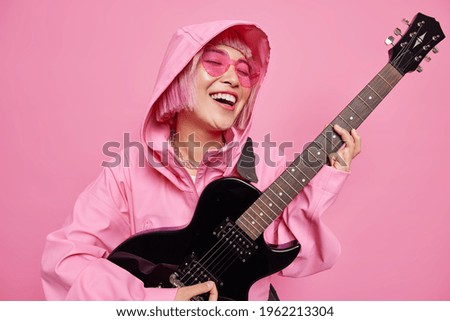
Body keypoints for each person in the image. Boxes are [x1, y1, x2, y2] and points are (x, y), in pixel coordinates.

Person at [41, 20, 361, 301]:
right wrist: (155, 302)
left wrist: (328, 180)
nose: (234, 79)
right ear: (179, 75)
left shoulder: (263, 166)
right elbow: (66, 263)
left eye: (245, 71)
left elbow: (300, 258)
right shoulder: (125, 173)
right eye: (214, 62)